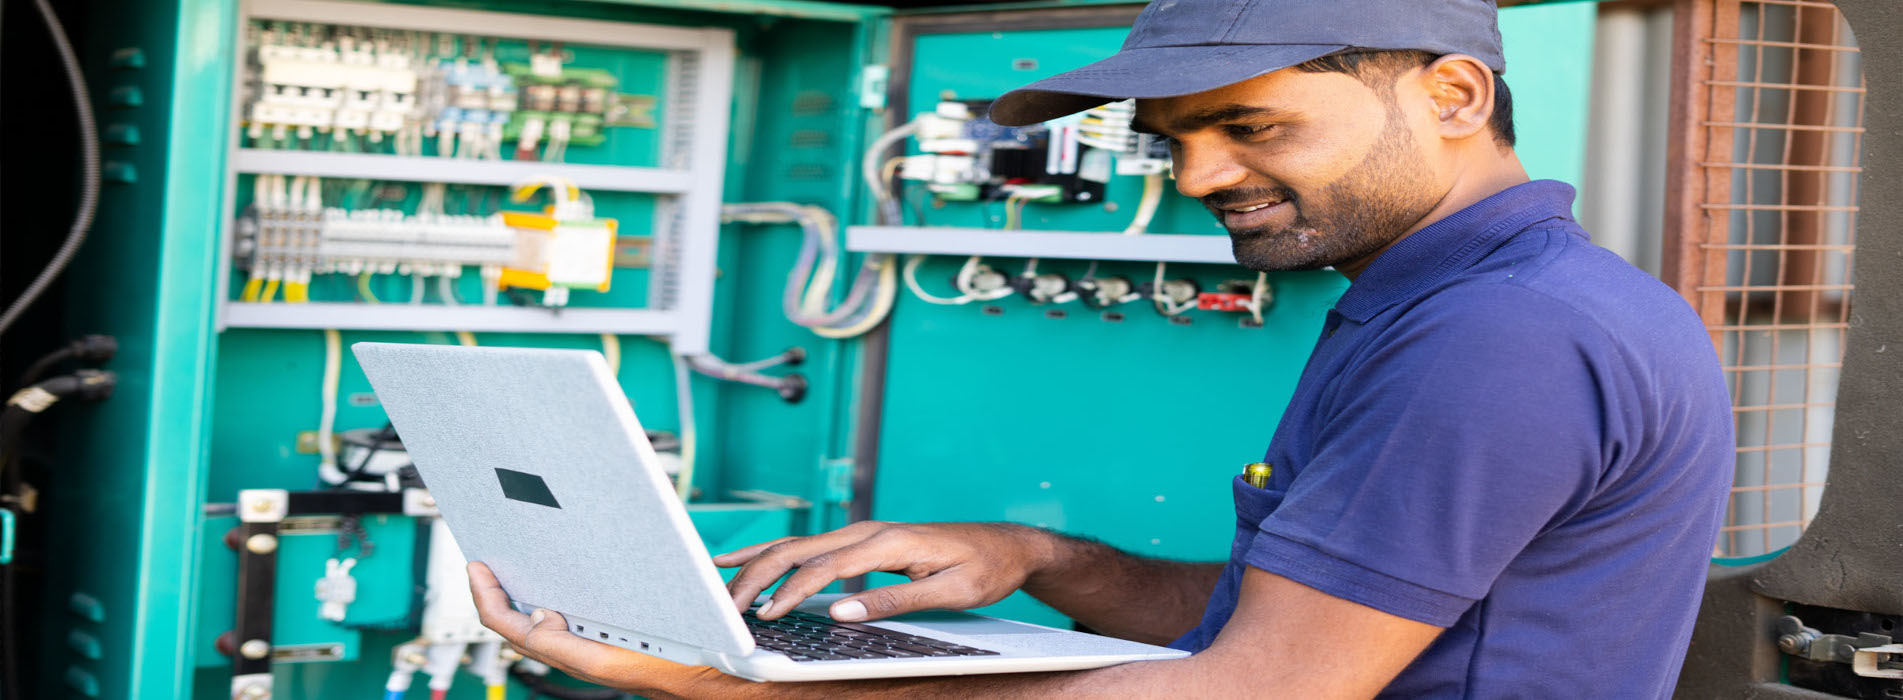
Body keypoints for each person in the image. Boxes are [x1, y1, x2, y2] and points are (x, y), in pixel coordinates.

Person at [468, 0, 1735, 696]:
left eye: (1250, 125)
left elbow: (1260, 692)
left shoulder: (1502, 335)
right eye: (1172, 138)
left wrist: (747, 690)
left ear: (1452, 96)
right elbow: (1303, 617)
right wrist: (1036, 558)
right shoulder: (1460, 302)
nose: (1198, 176)